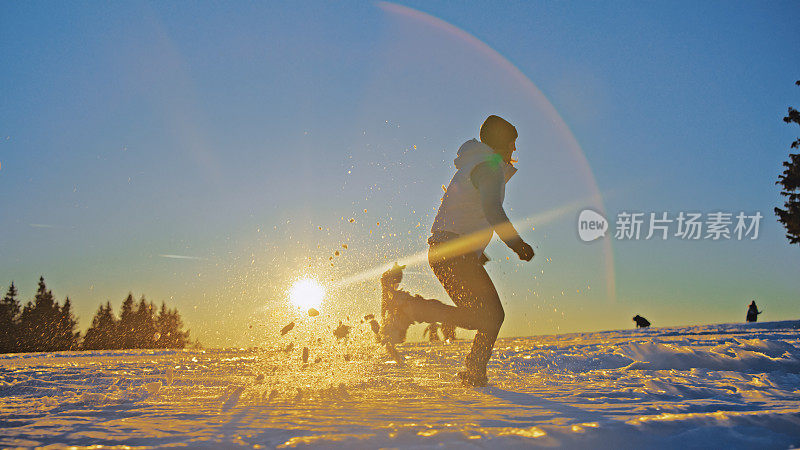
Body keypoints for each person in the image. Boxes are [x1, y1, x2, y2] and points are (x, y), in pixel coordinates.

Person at [383, 115, 534, 387]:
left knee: (482, 316)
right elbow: (492, 210)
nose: (514, 150)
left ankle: (472, 368)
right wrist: (517, 243)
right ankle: (413, 309)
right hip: (454, 255)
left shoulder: (473, 166)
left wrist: (477, 252)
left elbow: (465, 215)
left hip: (445, 252)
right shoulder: (489, 169)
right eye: (512, 144)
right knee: (491, 316)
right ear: (502, 144)